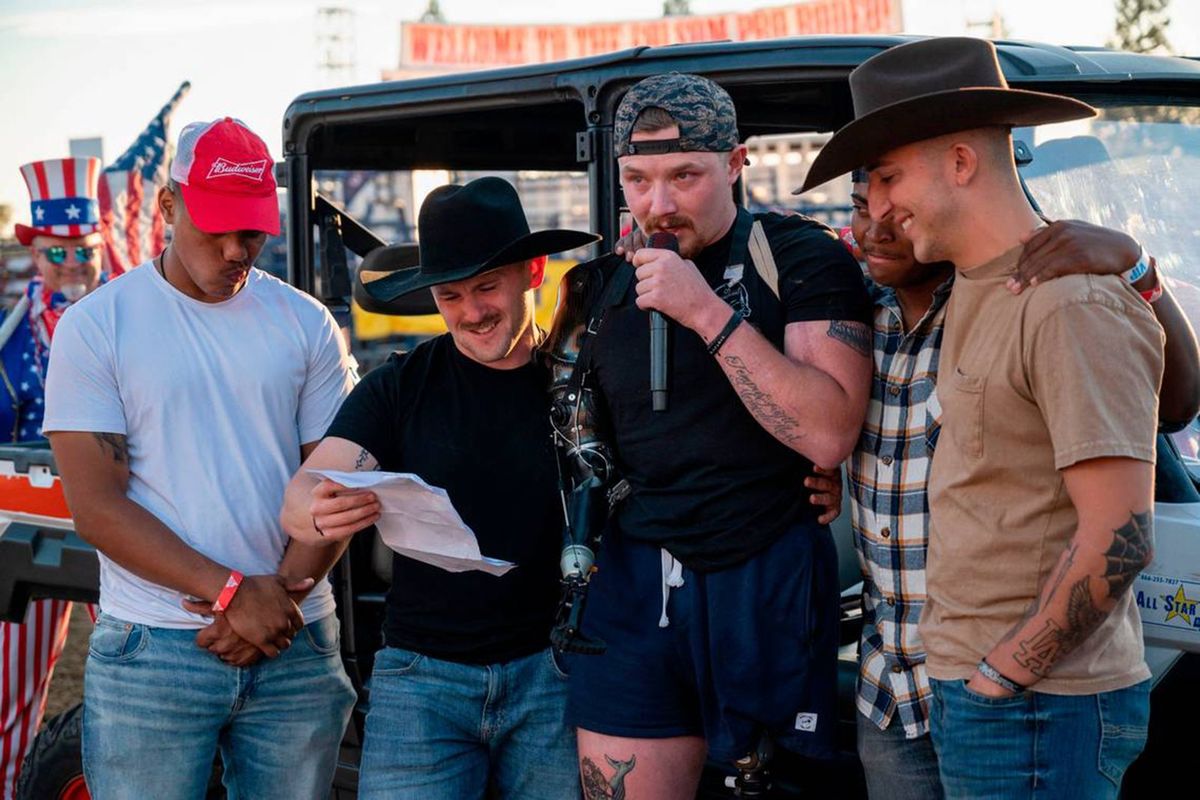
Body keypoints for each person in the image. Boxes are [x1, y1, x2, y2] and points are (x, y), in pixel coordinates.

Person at [800, 37, 1167, 798]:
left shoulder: (1069, 299)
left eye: (891, 176)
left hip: (1028, 704)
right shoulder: (975, 289)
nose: (878, 208)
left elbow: (1121, 538)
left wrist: (1002, 674)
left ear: (962, 163)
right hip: (965, 690)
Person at [549, 73, 873, 798]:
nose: (657, 205)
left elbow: (826, 434)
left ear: (736, 163)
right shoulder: (596, 288)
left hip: (763, 578)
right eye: (637, 179)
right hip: (635, 587)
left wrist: (705, 312)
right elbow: (568, 440)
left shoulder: (796, 256)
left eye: (685, 175)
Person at [840, 167, 1199, 800]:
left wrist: (1140, 269)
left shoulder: (1024, 291)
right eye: (860, 207)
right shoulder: (851, 318)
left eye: (894, 201)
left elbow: (1175, 406)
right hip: (890, 681)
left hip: (1005, 683)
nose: (876, 226)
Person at [42, 117, 357, 799]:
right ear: (166, 206)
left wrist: (273, 605)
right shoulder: (98, 326)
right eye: (214, 228)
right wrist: (234, 593)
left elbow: (335, 479)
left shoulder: (305, 323)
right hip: (156, 647)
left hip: (293, 640)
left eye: (251, 232)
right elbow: (97, 507)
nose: (234, 249)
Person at [279, 176, 600, 799]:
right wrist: (313, 509)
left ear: (531, 271)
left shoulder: (584, 380)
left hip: (554, 671)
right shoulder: (399, 387)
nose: (472, 312)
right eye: (451, 295)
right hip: (421, 680)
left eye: (487, 287)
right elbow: (310, 485)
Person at [0, 157, 106, 799]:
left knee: (144, 663)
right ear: (37, 254)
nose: (72, 262)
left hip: (121, 521)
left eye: (85, 249)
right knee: (12, 683)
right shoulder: (11, 339)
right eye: (59, 250)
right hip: (29, 523)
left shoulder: (128, 318)